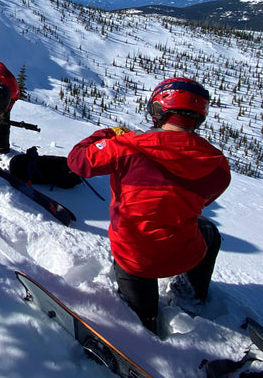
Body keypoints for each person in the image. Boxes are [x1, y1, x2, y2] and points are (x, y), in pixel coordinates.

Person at [66, 77, 231, 336]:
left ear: (158, 110)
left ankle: (145, 323)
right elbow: (203, 201)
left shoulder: (125, 147)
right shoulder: (217, 165)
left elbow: (77, 162)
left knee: (142, 323)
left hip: (135, 258)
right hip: (185, 253)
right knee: (207, 229)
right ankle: (191, 296)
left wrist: (107, 134)